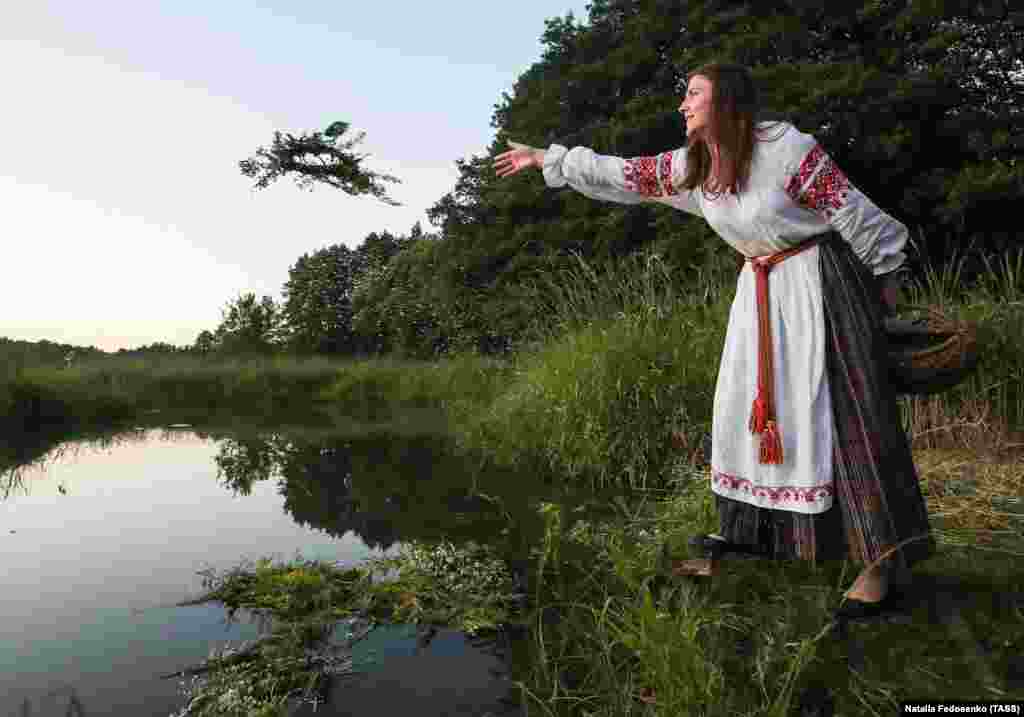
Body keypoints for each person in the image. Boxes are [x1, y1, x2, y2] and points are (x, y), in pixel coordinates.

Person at [492, 62, 935, 620]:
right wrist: (548, 159)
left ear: (728, 102)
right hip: (759, 296)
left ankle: (880, 564)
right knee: (749, 416)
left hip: (821, 287)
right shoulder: (698, 166)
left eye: (694, 94)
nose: (683, 105)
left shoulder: (786, 150)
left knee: (846, 419)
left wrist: (883, 291)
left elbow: (854, 213)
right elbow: (624, 174)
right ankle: (771, 539)